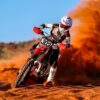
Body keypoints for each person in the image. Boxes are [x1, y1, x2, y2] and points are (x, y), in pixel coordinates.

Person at [33, 15, 72, 87]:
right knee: (34, 48)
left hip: (56, 45)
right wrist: (39, 28)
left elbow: (68, 43)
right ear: (60, 23)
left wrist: (65, 46)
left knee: (54, 62)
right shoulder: (55, 25)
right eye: (63, 26)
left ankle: (49, 80)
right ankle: (26, 67)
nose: (64, 28)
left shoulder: (67, 34)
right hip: (48, 39)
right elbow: (45, 25)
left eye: (67, 27)